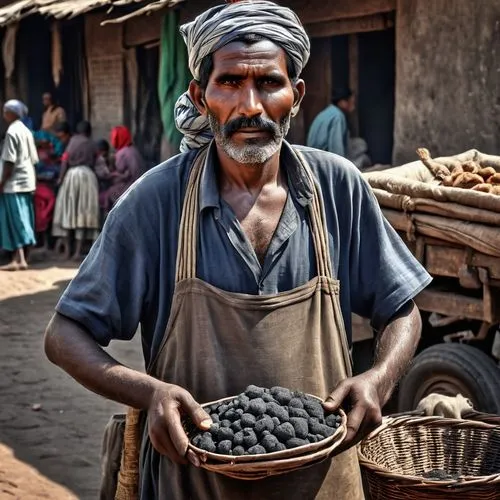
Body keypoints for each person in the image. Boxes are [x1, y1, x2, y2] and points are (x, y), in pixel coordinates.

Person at [44, 2, 431, 499]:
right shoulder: (155, 203)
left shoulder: (339, 189)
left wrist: (377, 380)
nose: (250, 105)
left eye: (269, 83)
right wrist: (149, 392)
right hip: (192, 483)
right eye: (229, 83)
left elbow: (402, 310)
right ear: (200, 98)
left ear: (296, 96)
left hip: (324, 484)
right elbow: (64, 335)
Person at [51, 120, 99, 260]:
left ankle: (67, 251)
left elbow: (65, 160)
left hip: (71, 176)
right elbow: (97, 162)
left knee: (67, 213)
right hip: (88, 177)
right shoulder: (92, 144)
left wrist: (60, 179)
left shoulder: (72, 141)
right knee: (82, 216)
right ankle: (78, 252)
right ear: (89, 131)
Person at [0, 99, 38, 270]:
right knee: (25, 218)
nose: (3, 114)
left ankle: (19, 259)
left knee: (15, 219)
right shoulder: (26, 131)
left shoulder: (12, 132)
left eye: (5, 111)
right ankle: (25, 256)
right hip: (27, 180)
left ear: (11, 113)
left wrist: (2, 182)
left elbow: (9, 162)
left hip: (14, 183)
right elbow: (34, 158)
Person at [307, 88, 371, 169]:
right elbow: (336, 149)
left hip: (313, 157)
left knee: (361, 144)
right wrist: (341, 169)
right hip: (323, 161)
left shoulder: (328, 111)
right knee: (364, 158)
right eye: (351, 103)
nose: (353, 107)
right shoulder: (338, 116)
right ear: (343, 102)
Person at [99, 126, 143, 214]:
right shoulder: (134, 150)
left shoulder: (122, 153)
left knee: (104, 196)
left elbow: (119, 171)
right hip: (139, 184)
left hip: (129, 185)